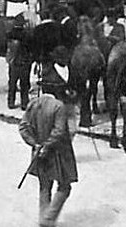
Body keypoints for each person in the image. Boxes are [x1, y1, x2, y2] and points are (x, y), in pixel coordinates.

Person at [18, 70, 79, 227]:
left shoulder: (34, 103)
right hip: (58, 153)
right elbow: (59, 131)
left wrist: (35, 144)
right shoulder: (59, 106)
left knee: (44, 186)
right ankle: (48, 219)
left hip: (38, 152)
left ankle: (43, 218)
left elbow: (23, 127)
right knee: (65, 186)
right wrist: (47, 145)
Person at [6, 14, 33, 110]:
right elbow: (30, 48)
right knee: (24, 84)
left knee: (12, 83)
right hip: (24, 62)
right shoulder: (26, 35)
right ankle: (24, 103)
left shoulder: (9, 34)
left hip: (13, 63)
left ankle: (11, 102)